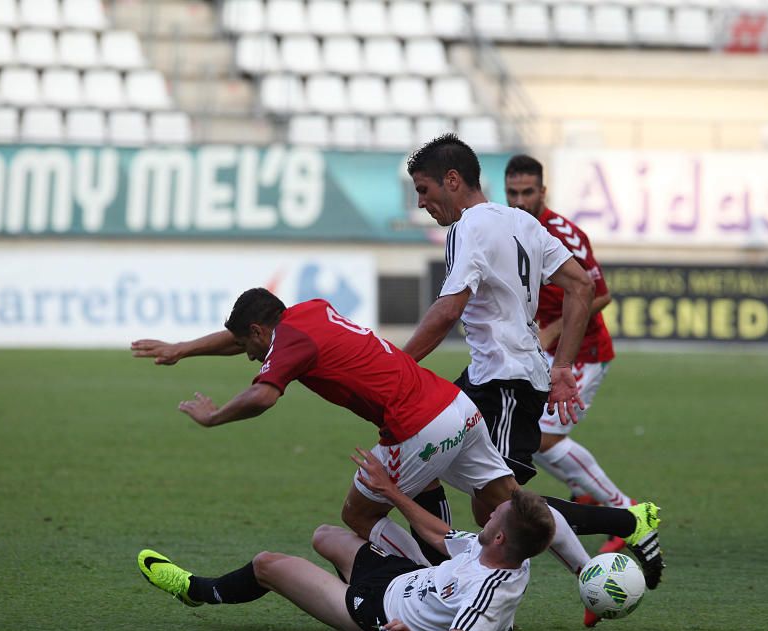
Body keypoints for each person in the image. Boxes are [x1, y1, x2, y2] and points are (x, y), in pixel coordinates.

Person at [131, 288, 660, 581]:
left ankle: (431, 587)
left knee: (357, 516)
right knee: (510, 503)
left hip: (415, 427)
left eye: (250, 346)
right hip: (455, 405)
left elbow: (265, 394)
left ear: (262, 332)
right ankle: (593, 577)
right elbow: (239, 338)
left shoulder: (284, 343)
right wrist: (183, 348)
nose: (248, 355)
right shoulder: (308, 312)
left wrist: (215, 416)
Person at [401, 135, 663, 601]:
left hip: (507, 383)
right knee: (422, 453)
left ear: (453, 180)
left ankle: (626, 524)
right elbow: (580, 285)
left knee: (502, 509)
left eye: (423, 190)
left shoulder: (468, 229)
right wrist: (561, 366)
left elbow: (446, 310)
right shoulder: (522, 222)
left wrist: (395, 365)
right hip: (493, 377)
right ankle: (441, 572)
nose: (421, 202)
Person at [137, 450, 556, 631]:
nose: (487, 515)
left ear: (500, 538)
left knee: (267, 565)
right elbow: (437, 531)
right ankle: (329, 592)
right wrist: (389, 490)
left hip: (375, 612)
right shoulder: (492, 551)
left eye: (494, 516)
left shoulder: (492, 585)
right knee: (325, 536)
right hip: (399, 578)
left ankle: (197, 591)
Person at [504, 154, 636, 558]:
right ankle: (584, 494)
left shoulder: (564, 233)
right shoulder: (507, 226)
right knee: (518, 436)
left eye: (528, 192)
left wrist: (552, 331)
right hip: (544, 352)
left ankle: (624, 510)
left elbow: (601, 294)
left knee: (544, 438)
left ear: (544, 192)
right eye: (513, 192)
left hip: (583, 352)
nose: (521, 200)